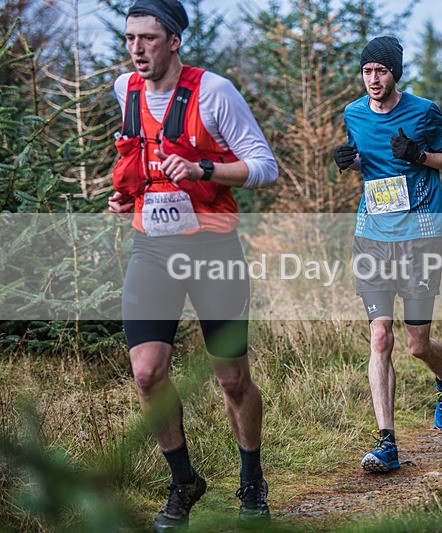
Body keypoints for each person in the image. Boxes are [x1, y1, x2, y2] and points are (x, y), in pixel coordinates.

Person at [107, 0, 278, 529]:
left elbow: (265, 168)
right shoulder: (125, 90)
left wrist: (205, 167)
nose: (136, 49)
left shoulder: (214, 93)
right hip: (152, 249)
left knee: (231, 379)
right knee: (147, 371)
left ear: (175, 41)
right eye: (130, 38)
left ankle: (251, 480)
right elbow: (144, 160)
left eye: (148, 39)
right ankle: (184, 482)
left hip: (213, 252)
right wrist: (127, 195)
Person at [332, 36, 442, 473]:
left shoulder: (423, 111)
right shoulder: (353, 113)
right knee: (380, 336)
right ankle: (386, 442)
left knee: (416, 344)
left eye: (381, 71)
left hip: (420, 237)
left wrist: (420, 155)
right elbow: (362, 163)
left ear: (395, 73)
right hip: (372, 235)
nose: (373, 79)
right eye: (367, 71)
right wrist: (346, 160)